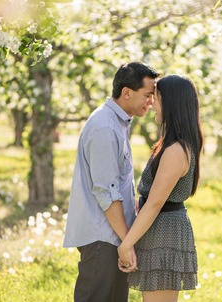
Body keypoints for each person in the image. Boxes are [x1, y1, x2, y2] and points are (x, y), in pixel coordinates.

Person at [63, 62, 160, 302]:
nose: (152, 101)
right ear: (127, 92)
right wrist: (126, 241)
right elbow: (106, 193)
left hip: (112, 236)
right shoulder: (105, 127)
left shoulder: (119, 122)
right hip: (102, 238)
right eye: (148, 95)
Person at [118, 74, 203, 302]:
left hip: (165, 233)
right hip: (159, 230)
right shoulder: (171, 144)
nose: (151, 103)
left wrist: (126, 245)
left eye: (156, 98)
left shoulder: (176, 150)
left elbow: (155, 203)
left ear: (171, 103)